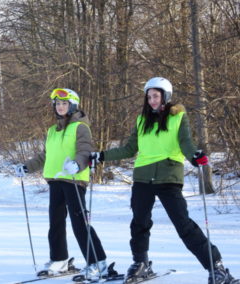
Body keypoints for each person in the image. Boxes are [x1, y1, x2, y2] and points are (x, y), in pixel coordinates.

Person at [91, 77, 239, 284]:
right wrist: (102, 156)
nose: (151, 100)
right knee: (139, 223)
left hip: (169, 177)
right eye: (149, 96)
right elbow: (129, 149)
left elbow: (186, 143)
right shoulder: (141, 120)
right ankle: (140, 263)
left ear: (165, 96)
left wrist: (195, 157)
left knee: (183, 225)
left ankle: (216, 267)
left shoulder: (178, 118)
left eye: (156, 96)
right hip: (143, 178)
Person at [14, 88, 110, 281]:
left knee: (79, 223)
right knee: (55, 222)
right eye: (57, 104)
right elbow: (46, 155)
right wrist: (26, 167)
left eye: (64, 103)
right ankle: (59, 259)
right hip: (55, 180)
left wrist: (77, 163)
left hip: (73, 180)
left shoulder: (80, 127)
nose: (60, 106)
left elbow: (85, 150)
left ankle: (97, 262)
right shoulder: (52, 130)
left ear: (72, 105)